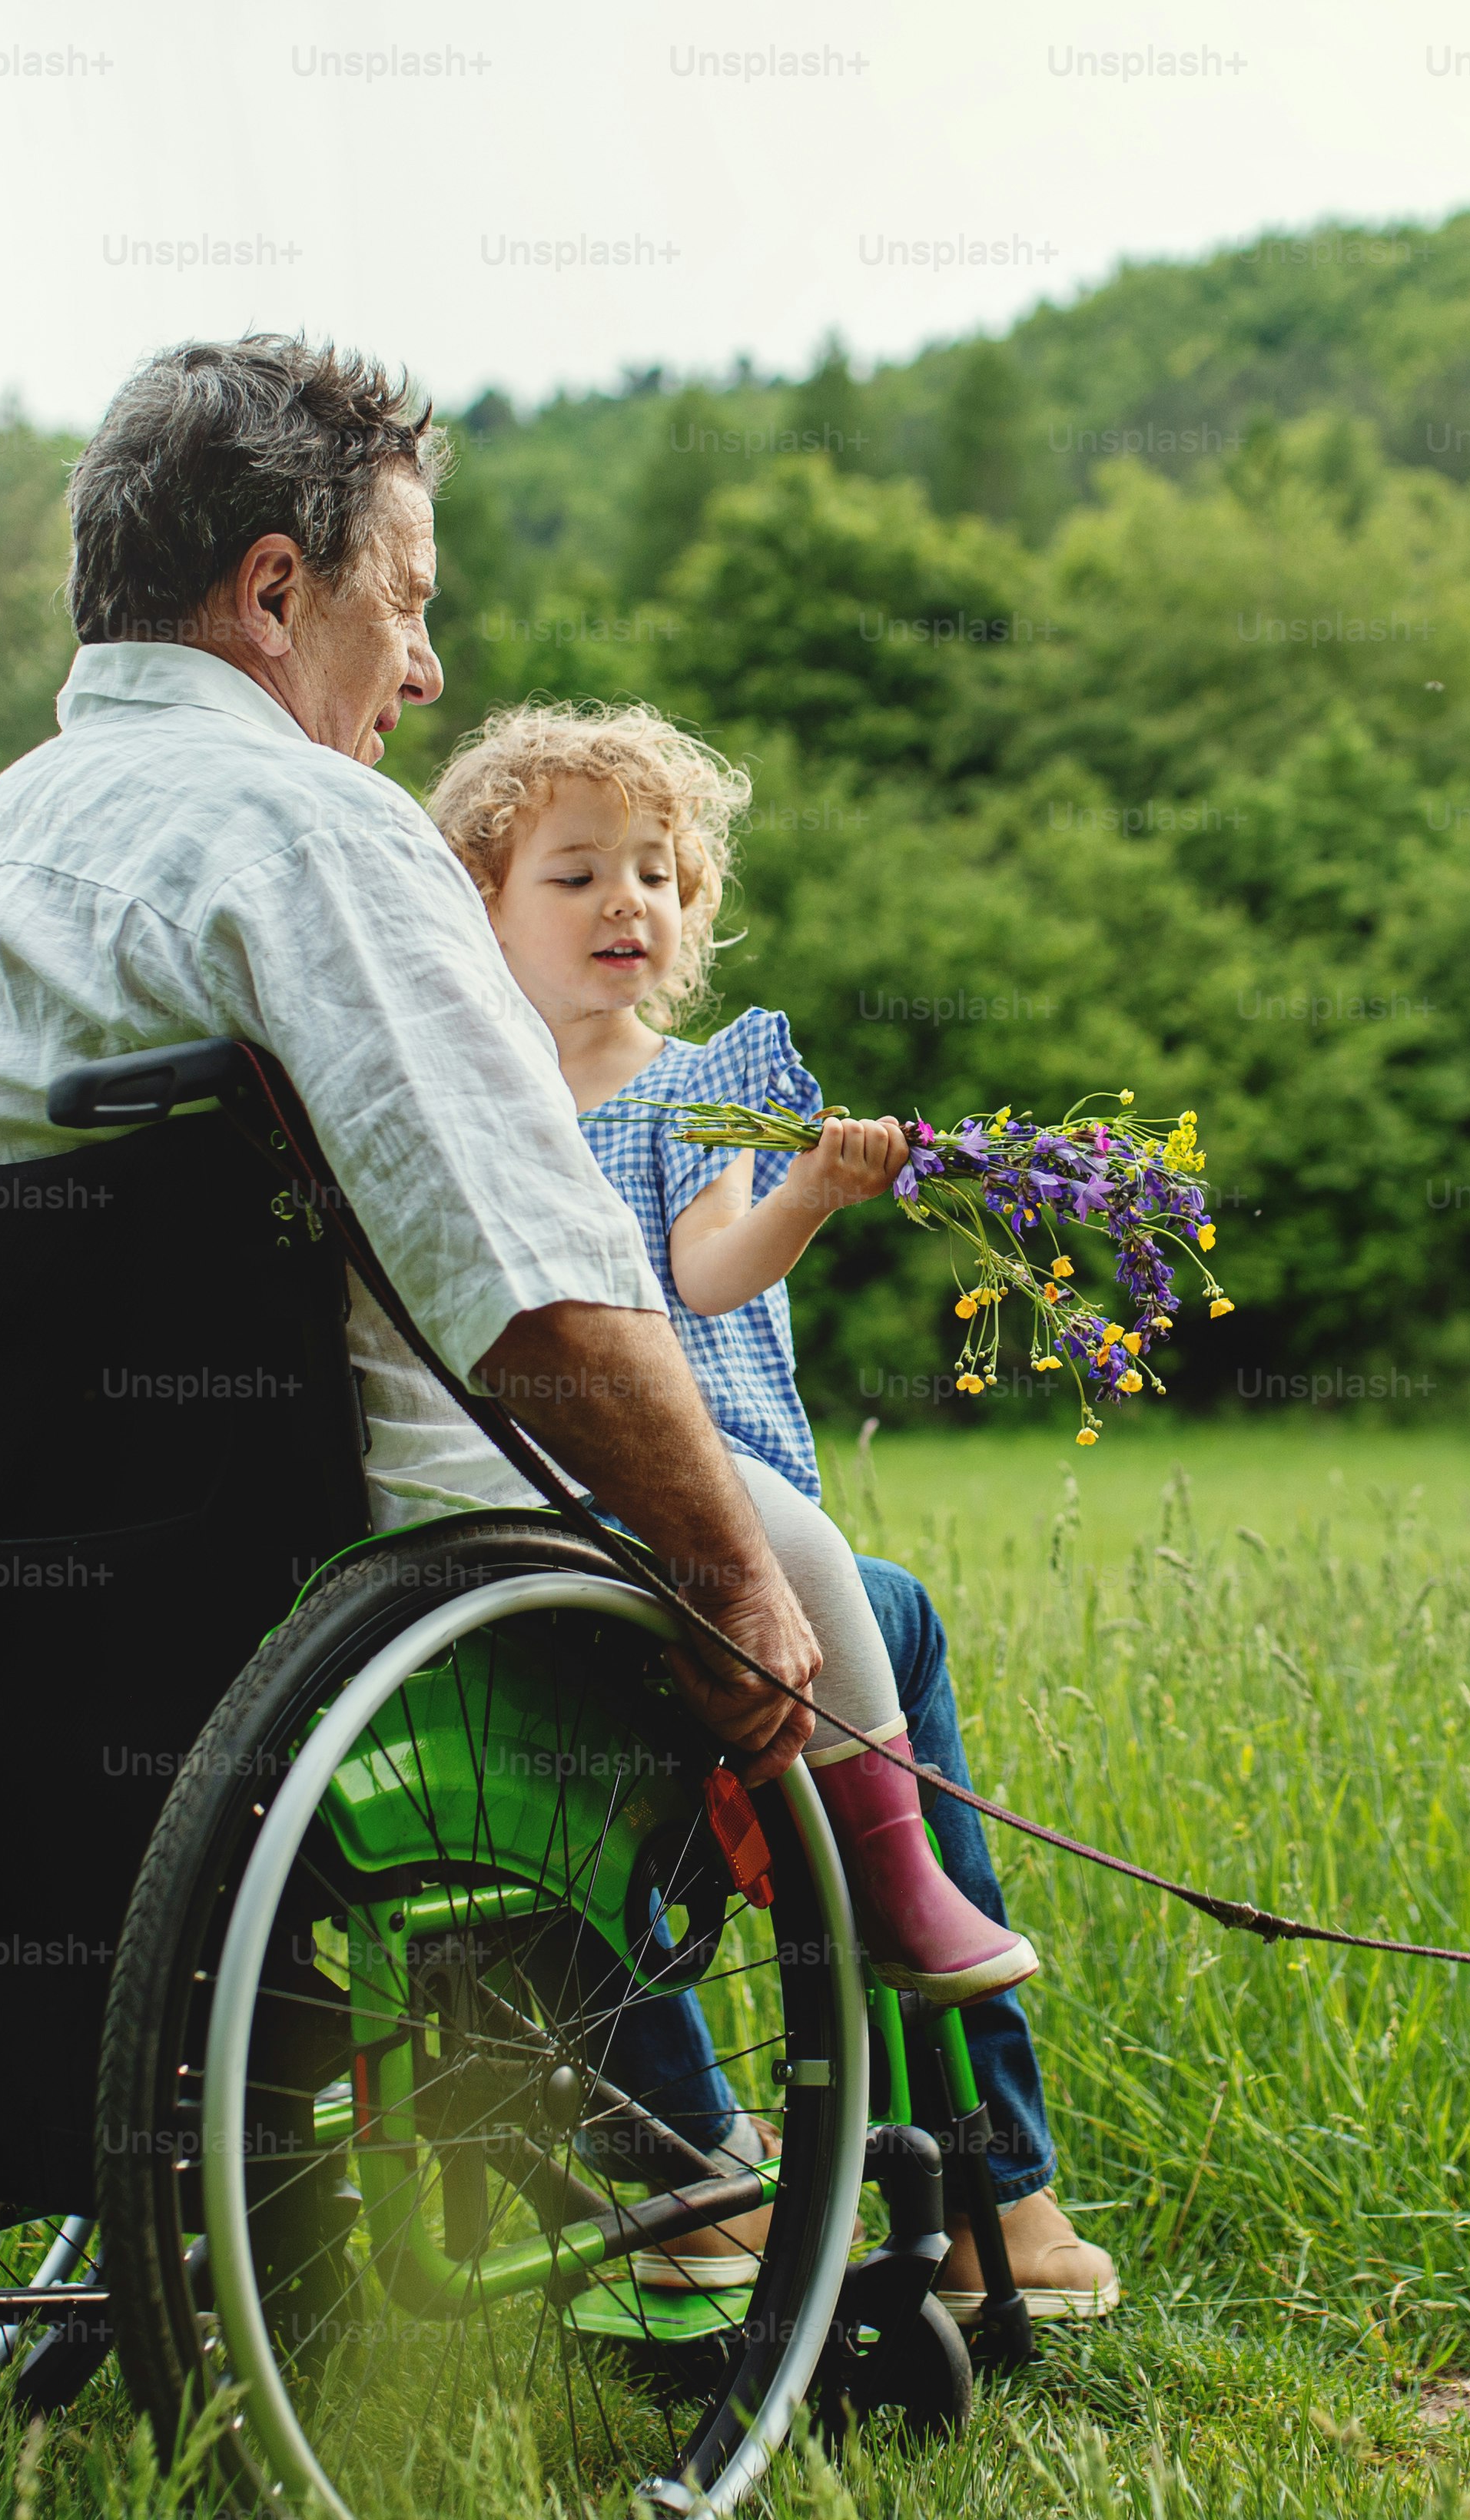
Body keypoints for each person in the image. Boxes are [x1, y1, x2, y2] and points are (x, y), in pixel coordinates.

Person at [0, 333, 1108, 2326]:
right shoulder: (309, 841)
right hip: (341, 1586)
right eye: (405, 605)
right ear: (274, 590)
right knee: (814, 1595)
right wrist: (731, 1585)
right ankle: (758, 2156)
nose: (423, 673)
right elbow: (540, 1292)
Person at [426, 700, 1030, 2008]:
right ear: (482, 906)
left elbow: (708, 1273)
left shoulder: (699, 1087)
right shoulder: (473, 1092)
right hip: (535, 1469)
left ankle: (892, 1868)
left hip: (683, 1455)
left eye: (655, 874)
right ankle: (681, 2122)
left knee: (805, 1560)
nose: (623, 903)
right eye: (576, 875)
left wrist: (806, 1191)